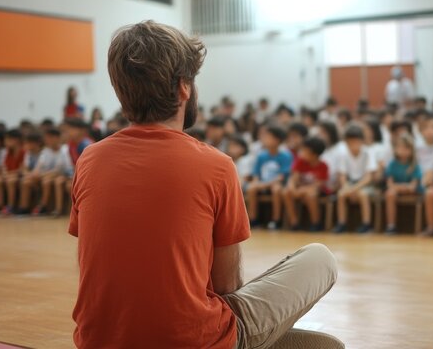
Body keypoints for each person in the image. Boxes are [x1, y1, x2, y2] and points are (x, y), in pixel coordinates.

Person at [69, 21, 342, 349]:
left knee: (324, 345)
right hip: (194, 340)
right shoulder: (216, 165)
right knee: (320, 259)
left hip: (98, 341)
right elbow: (226, 286)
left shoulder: (89, 160)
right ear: (184, 87)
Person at [247, 125, 293, 230]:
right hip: (262, 183)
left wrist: (264, 184)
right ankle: (253, 219)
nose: (264, 139)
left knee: (276, 189)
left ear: (277, 140)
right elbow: (256, 174)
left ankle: (276, 220)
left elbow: (281, 177)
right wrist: (256, 183)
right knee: (251, 188)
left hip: (277, 184)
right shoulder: (261, 156)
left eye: (268, 137)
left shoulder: (285, 155)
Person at [333, 125, 378, 234]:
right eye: (350, 142)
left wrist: (354, 189)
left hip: (365, 185)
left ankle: (366, 224)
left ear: (362, 141)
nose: (353, 144)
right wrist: (346, 187)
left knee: (362, 195)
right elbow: (342, 175)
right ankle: (341, 223)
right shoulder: (344, 154)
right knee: (341, 194)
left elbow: (369, 177)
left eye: (356, 141)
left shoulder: (368, 153)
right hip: (350, 184)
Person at [17, 128, 69, 215]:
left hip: (62, 175)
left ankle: (44, 207)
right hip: (45, 175)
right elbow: (39, 167)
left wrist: (40, 175)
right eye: (47, 138)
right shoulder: (45, 151)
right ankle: (24, 208)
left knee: (46, 181)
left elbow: (58, 171)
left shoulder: (64, 150)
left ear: (58, 138)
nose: (48, 140)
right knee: (26, 181)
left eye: (50, 138)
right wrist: (34, 174)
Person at [283, 137, 329, 232]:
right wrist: (291, 186)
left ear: (314, 155)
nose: (302, 152)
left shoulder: (323, 165)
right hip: (300, 189)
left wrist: (302, 190)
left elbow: (318, 184)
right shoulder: (300, 161)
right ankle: (294, 223)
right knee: (287, 192)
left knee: (310, 195)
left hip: (316, 190)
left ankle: (315, 223)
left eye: (305, 151)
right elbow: (293, 177)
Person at [384, 134, 422, 234]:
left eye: (406, 148)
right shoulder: (392, 164)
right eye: (400, 147)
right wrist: (403, 187)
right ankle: (391, 225)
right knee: (390, 194)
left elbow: (413, 187)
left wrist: (400, 187)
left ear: (411, 150)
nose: (403, 150)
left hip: (413, 192)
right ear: (395, 149)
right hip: (397, 191)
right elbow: (389, 185)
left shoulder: (415, 166)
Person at [0, 129, 25, 215]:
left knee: (11, 180)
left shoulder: (23, 151)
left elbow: (22, 169)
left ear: (16, 140)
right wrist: (4, 173)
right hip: (10, 175)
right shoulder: (7, 152)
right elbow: (4, 166)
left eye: (8, 140)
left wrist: (8, 174)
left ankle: (11, 206)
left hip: (19, 175)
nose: (5, 142)